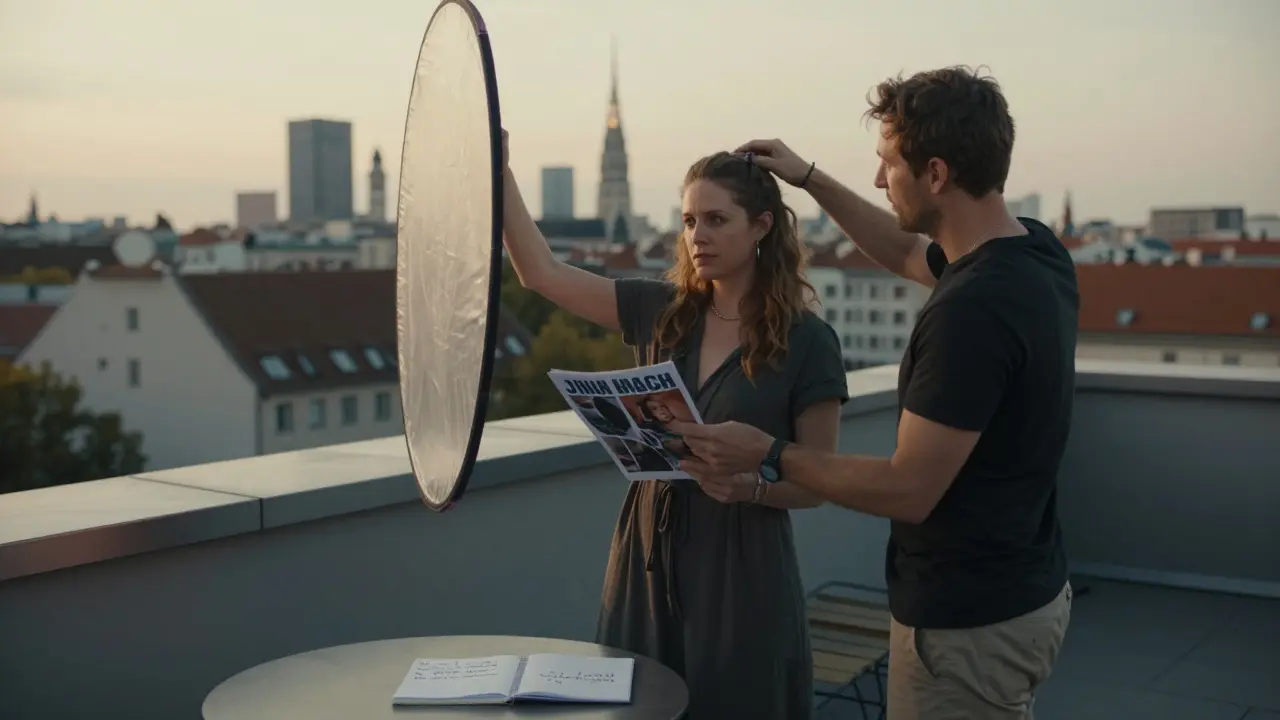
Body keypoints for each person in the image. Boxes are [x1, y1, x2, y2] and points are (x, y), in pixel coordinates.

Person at [669, 66, 1078, 719]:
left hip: (965, 623)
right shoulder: (1033, 251)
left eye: (889, 163)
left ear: (937, 174)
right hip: (1027, 588)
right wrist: (810, 177)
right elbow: (903, 251)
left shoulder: (971, 312)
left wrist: (767, 451)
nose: (879, 179)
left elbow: (908, 491)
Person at [499, 131, 849, 718]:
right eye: (688, 220)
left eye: (716, 219)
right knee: (637, 700)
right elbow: (541, 274)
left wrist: (754, 487)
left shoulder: (808, 342)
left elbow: (822, 481)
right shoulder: (661, 309)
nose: (697, 237)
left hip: (740, 563)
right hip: (645, 551)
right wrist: (500, 172)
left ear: (762, 227)